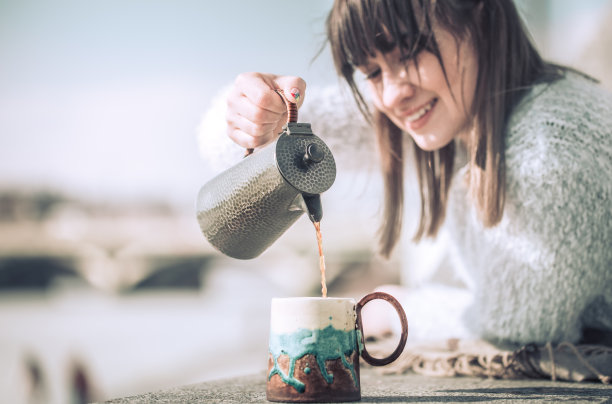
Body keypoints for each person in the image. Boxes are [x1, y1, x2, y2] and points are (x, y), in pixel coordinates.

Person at [200, 0, 612, 350]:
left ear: (480, 21)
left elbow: (519, 327)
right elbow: (222, 148)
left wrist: (395, 308)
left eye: (411, 52)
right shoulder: (451, 105)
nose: (393, 94)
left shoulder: (555, 143)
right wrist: (253, 113)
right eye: (373, 72)